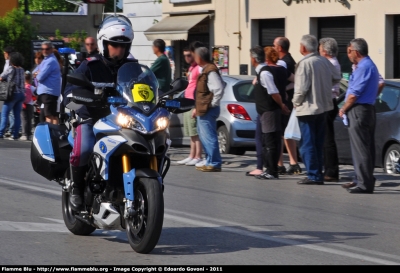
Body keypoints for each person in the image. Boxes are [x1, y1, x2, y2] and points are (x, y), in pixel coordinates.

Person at [64, 15, 136, 210]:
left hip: (123, 118)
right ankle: (76, 188)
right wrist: (79, 99)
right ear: (104, 43)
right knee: (85, 148)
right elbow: (70, 90)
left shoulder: (133, 67)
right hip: (91, 117)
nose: (119, 49)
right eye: (114, 45)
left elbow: (146, 88)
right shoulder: (90, 65)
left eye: (123, 45)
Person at [293, 34, 341, 185]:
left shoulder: (304, 63)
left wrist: (295, 102)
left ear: (303, 48)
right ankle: (317, 173)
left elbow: (301, 88)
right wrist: (323, 85)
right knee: (318, 142)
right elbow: (337, 76)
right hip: (323, 106)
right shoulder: (324, 61)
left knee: (307, 143)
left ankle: (313, 174)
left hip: (308, 108)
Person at [338, 38, 379, 194]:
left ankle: (364, 183)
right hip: (365, 109)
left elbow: (354, 94)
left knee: (361, 147)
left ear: (356, 51)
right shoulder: (366, 65)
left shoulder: (364, 67)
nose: (348, 54)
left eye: (349, 51)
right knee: (365, 147)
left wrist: (343, 108)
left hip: (359, 110)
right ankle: (362, 179)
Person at [249, 46, 290, 179]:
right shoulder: (261, 72)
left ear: (254, 59)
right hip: (265, 111)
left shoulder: (264, 73)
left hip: (269, 111)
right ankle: (270, 169)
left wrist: (281, 105)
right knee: (268, 141)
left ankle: (272, 170)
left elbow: (274, 92)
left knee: (270, 141)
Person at [192, 47, 224, 172]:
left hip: (208, 109)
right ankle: (210, 160)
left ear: (199, 58)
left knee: (209, 136)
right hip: (203, 109)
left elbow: (219, 89)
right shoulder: (206, 70)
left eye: (195, 56)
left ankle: (214, 162)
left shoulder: (210, 71)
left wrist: (213, 104)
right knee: (204, 136)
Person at [273, 37, 302, 175]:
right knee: (286, 133)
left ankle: (283, 164)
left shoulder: (286, 63)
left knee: (282, 133)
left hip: (286, 101)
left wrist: (284, 89)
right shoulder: (287, 61)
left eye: (274, 45)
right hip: (287, 100)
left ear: (279, 48)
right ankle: (292, 162)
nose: (273, 48)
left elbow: (297, 80)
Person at [319, 37, 341, 182]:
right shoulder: (330, 63)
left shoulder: (329, 64)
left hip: (328, 102)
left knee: (328, 138)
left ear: (325, 51)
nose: (319, 52)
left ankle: (331, 171)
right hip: (328, 101)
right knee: (325, 138)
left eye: (320, 49)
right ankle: (328, 168)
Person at [176, 46, 203, 166]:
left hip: (193, 101)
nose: (186, 58)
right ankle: (192, 155)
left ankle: (198, 156)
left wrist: (197, 104)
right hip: (187, 100)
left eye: (188, 55)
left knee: (195, 131)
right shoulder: (191, 68)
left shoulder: (198, 68)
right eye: (185, 56)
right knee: (190, 132)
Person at [33, 41, 61, 125]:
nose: (45, 51)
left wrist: (37, 74)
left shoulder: (50, 61)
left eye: (47, 49)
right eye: (43, 49)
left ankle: (49, 135)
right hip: (50, 92)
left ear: (51, 49)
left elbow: (40, 77)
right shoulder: (47, 60)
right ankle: (55, 134)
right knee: (53, 115)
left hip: (48, 92)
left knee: (48, 115)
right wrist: (37, 73)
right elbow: (34, 72)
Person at [0, 52, 26, 140]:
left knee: (4, 114)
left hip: (12, 94)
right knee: (17, 115)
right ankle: (15, 134)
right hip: (21, 94)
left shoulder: (11, 68)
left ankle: (1, 132)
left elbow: (1, 77)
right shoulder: (22, 70)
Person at [1, 46, 16, 136]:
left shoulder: (9, 63)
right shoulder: (10, 63)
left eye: (5, 53)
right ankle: (12, 129)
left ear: (8, 54)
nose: (4, 54)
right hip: (11, 88)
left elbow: (4, 75)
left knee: (7, 112)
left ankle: (9, 130)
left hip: (9, 88)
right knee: (12, 112)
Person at [20, 71, 35, 141]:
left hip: (23, 105)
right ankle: (29, 134)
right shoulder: (32, 87)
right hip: (30, 104)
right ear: (29, 79)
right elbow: (36, 94)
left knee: (24, 120)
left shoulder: (22, 87)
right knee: (29, 120)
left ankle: (24, 134)